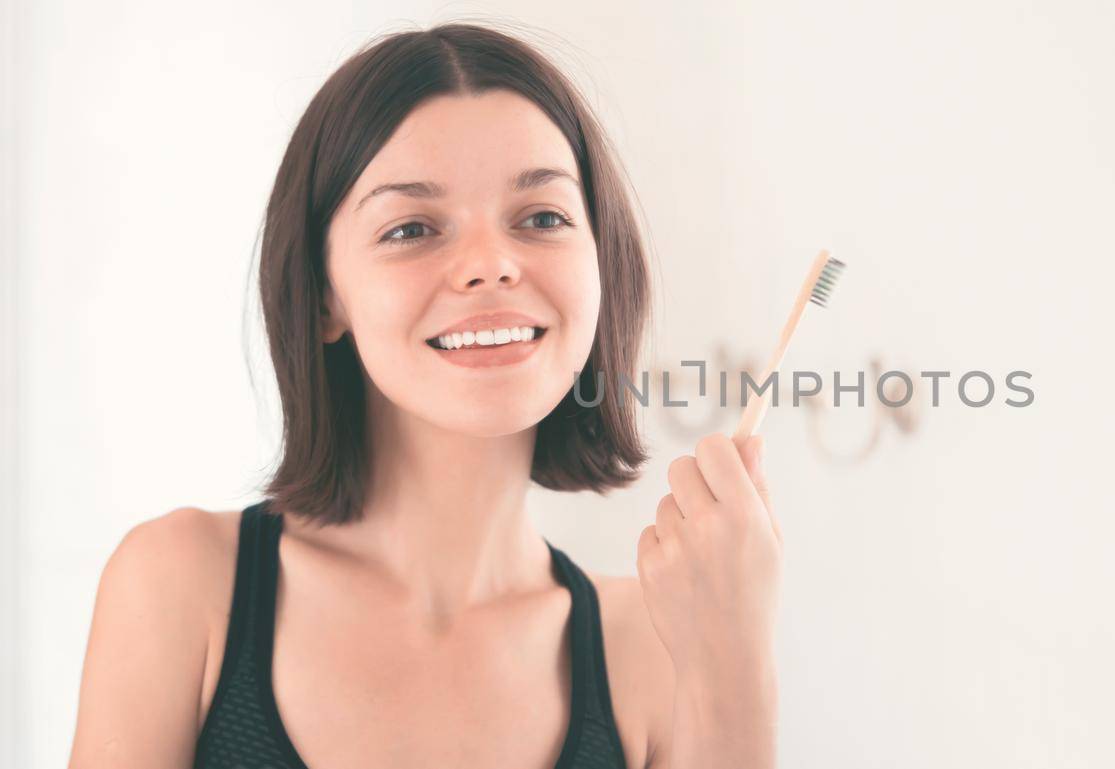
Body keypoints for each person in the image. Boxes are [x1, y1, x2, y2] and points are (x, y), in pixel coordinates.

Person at [67, 21, 783, 769]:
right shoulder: (180, 586)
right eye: (412, 228)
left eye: (542, 217)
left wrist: (735, 664)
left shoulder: (654, 645)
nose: (491, 265)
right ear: (322, 298)